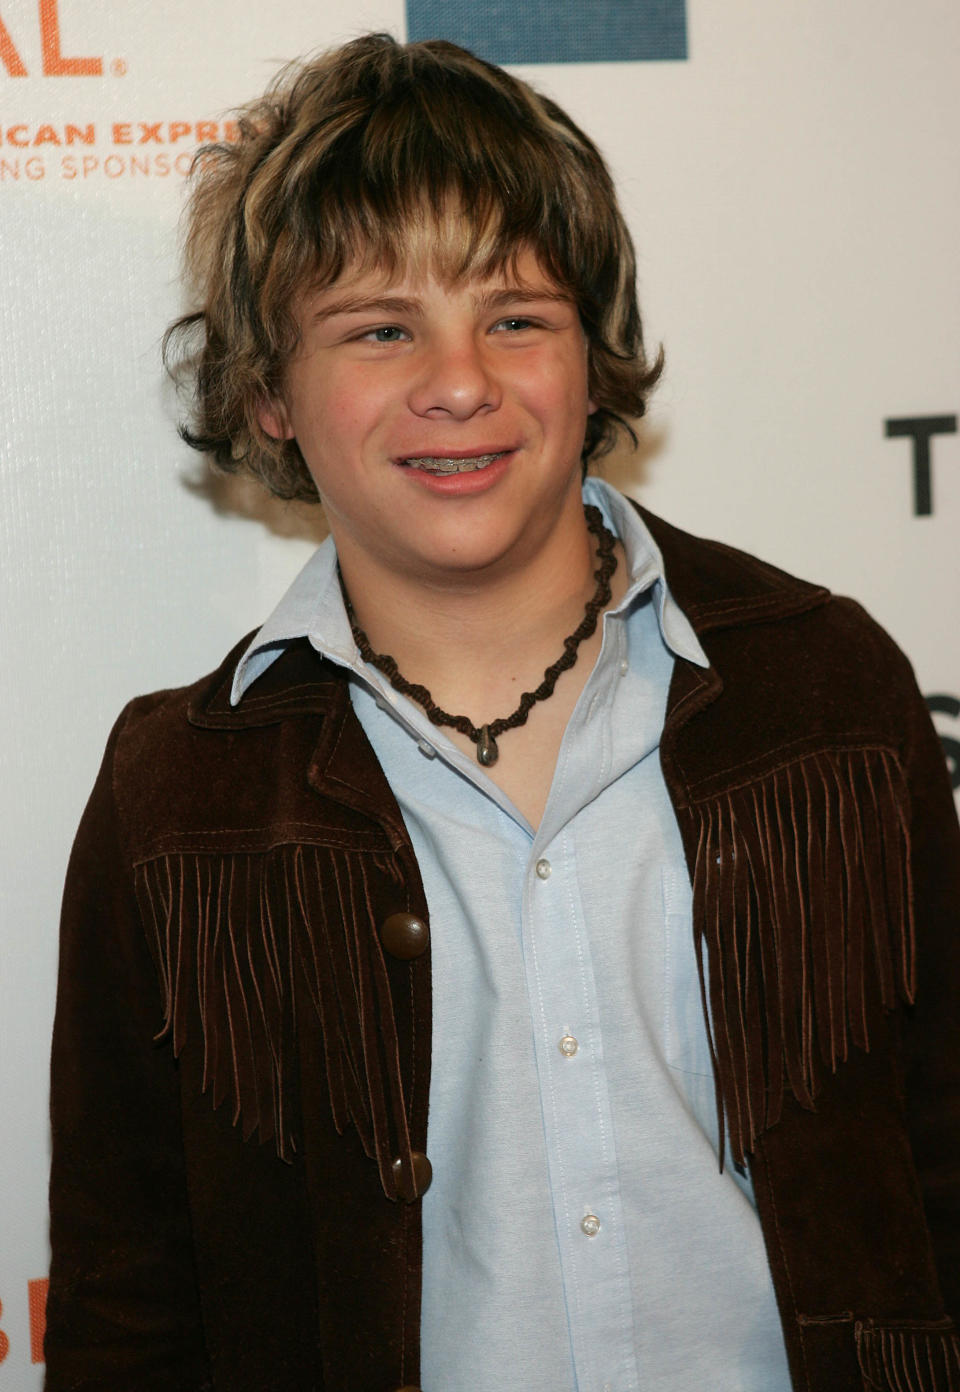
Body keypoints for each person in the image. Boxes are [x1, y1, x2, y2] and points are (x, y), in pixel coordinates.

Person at [46, 32, 960, 1392]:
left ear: (592, 356)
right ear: (269, 397)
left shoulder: (824, 690)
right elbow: (131, 1312)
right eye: (379, 328)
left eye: (516, 316)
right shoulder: (177, 791)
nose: (460, 380)